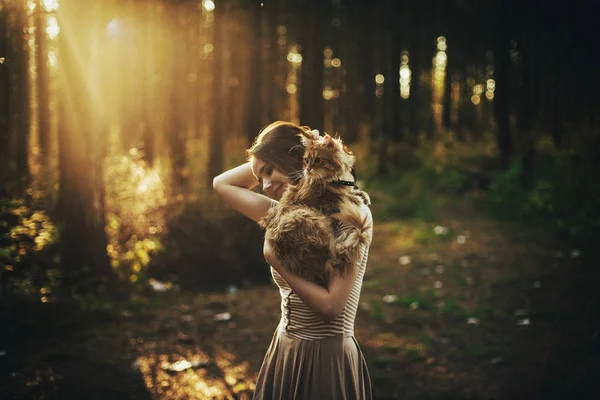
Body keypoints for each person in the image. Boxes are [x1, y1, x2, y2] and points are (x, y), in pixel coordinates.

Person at [213, 121, 372, 399]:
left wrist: (275, 260)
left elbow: (331, 307)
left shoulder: (350, 214)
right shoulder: (284, 215)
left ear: (296, 160)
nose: (264, 186)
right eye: (258, 177)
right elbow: (221, 183)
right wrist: (265, 156)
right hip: (285, 349)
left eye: (269, 171)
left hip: (326, 358)